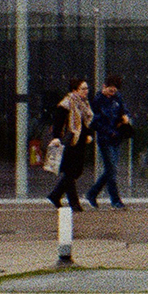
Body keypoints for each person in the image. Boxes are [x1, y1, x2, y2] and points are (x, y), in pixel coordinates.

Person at [46, 79, 96, 211]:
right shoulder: (66, 104)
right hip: (70, 141)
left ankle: (55, 195)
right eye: (83, 89)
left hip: (80, 141)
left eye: (87, 88)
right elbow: (58, 123)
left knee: (76, 171)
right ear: (75, 90)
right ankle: (74, 204)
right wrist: (56, 138)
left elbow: (87, 121)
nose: (86, 91)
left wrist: (89, 134)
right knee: (70, 172)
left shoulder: (84, 104)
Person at [86, 75, 131, 209]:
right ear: (104, 87)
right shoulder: (97, 101)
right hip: (105, 139)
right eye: (110, 91)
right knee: (111, 169)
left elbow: (124, 110)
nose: (113, 93)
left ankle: (92, 193)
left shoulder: (117, 98)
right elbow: (94, 122)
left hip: (116, 138)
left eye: (115, 91)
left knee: (111, 170)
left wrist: (125, 117)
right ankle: (115, 200)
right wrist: (108, 131)